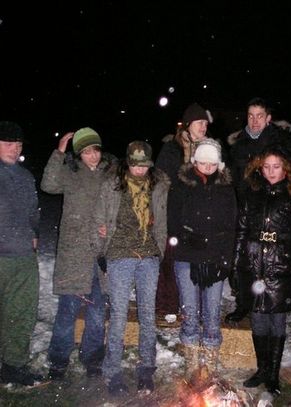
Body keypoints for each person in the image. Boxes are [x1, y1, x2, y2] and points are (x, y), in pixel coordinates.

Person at [230, 144, 291, 395]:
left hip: (280, 270)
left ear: (285, 170)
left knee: (277, 322)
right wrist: (235, 265)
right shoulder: (251, 195)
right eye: (267, 167)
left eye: (277, 167)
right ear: (260, 168)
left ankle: (273, 375)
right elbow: (241, 232)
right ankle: (262, 369)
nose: (271, 171)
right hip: (253, 270)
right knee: (258, 320)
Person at [94, 141, 169, 395]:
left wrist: (160, 251)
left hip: (148, 257)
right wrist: (101, 252)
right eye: (135, 165)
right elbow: (99, 219)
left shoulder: (159, 186)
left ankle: (147, 368)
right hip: (119, 256)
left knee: (148, 316)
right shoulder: (111, 186)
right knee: (118, 316)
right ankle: (112, 370)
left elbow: (163, 219)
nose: (140, 170)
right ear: (127, 163)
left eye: (144, 166)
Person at [41, 128, 116, 380]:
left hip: (101, 253)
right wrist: (59, 151)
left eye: (95, 150)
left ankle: (92, 358)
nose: (92, 156)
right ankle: (58, 360)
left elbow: (119, 206)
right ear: (78, 155)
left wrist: (110, 225)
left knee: (96, 312)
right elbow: (48, 184)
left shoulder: (111, 174)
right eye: (85, 152)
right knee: (68, 311)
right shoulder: (70, 174)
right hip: (74, 252)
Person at [226, 97, 291, 324]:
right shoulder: (239, 143)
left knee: (271, 262)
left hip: (275, 209)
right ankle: (243, 302)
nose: (254, 121)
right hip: (248, 207)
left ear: (268, 118)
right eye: (250, 115)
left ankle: (274, 302)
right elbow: (233, 176)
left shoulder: (281, 140)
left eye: (259, 116)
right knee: (247, 260)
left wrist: (287, 190)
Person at [167, 139, 237, 379]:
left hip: (216, 259)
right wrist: (189, 246)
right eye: (203, 162)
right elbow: (173, 223)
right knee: (190, 309)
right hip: (187, 258)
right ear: (195, 161)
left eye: (212, 163)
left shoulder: (226, 189)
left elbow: (231, 227)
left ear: (219, 164)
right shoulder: (182, 185)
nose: (208, 167)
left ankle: (211, 364)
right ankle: (191, 362)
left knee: (212, 313)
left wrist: (224, 262)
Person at [154, 102, 213, 317]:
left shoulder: (210, 149)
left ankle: (192, 307)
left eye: (205, 123)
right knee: (169, 262)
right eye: (199, 123)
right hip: (174, 215)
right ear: (188, 125)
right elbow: (161, 181)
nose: (203, 127)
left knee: (194, 264)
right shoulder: (172, 148)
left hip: (199, 217)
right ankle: (167, 307)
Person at [0, 121, 43, 386]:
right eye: (7, 143)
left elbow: (33, 211)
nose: (14, 149)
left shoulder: (25, 177)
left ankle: (13, 365)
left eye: (18, 144)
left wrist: (34, 234)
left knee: (21, 313)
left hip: (23, 255)